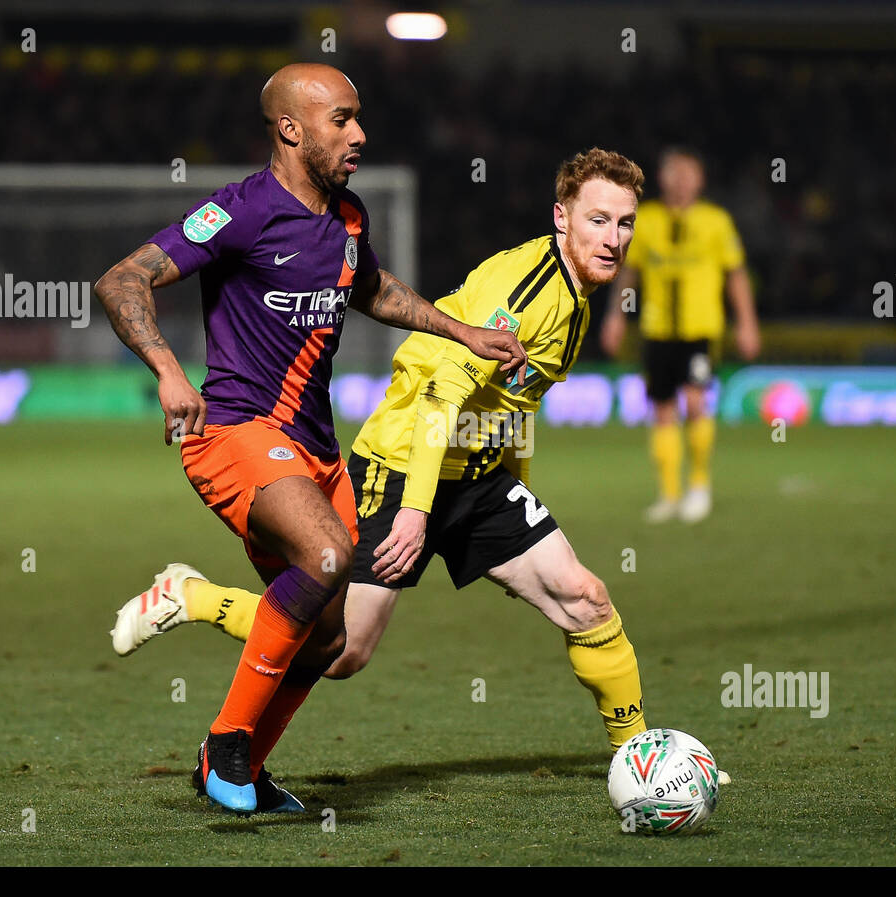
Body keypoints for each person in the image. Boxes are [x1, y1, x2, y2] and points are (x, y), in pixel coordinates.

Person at [112, 149, 655, 796]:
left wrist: (517, 501)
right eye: (599, 220)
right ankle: (192, 596)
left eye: (624, 223)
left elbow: (514, 404)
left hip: (476, 473)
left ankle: (642, 764)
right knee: (340, 652)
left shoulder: (577, 296)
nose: (614, 238)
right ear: (562, 218)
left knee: (587, 599)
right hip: (402, 466)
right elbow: (437, 401)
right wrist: (415, 513)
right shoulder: (527, 290)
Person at [97, 63, 526, 815]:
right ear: (292, 129)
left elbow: (374, 290)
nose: (359, 134)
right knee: (326, 555)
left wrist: (465, 334)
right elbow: (121, 281)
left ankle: (236, 770)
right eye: (342, 120)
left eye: (359, 118)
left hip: (316, 452)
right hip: (233, 432)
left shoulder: (349, 216)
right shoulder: (238, 212)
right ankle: (228, 736)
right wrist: (168, 370)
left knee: (330, 642)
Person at [600, 148, 760, 523]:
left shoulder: (715, 221)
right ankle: (669, 494)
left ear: (700, 179)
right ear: (662, 177)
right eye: (674, 172)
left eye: (689, 173)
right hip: (657, 331)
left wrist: (747, 322)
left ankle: (699, 486)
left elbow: (735, 275)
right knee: (661, 409)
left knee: (696, 401)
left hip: (699, 330)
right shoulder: (647, 219)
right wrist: (616, 318)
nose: (681, 180)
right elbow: (629, 275)